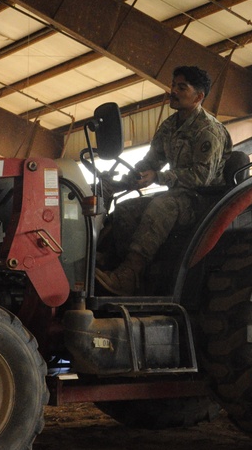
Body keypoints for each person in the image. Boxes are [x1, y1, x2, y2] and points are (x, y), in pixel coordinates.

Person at [95, 65, 232, 296]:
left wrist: (158, 177)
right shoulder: (170, 126)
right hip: (178, 194)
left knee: (162, 206)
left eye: (181, 87)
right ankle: (114, 263)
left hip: (204, 201)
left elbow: (202, 177)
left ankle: (130, 276)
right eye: (173, 86)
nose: (173, 91)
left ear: (198, 96)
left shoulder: (209, 130)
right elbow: (151, 161)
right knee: (126, 209)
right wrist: (124, 181)